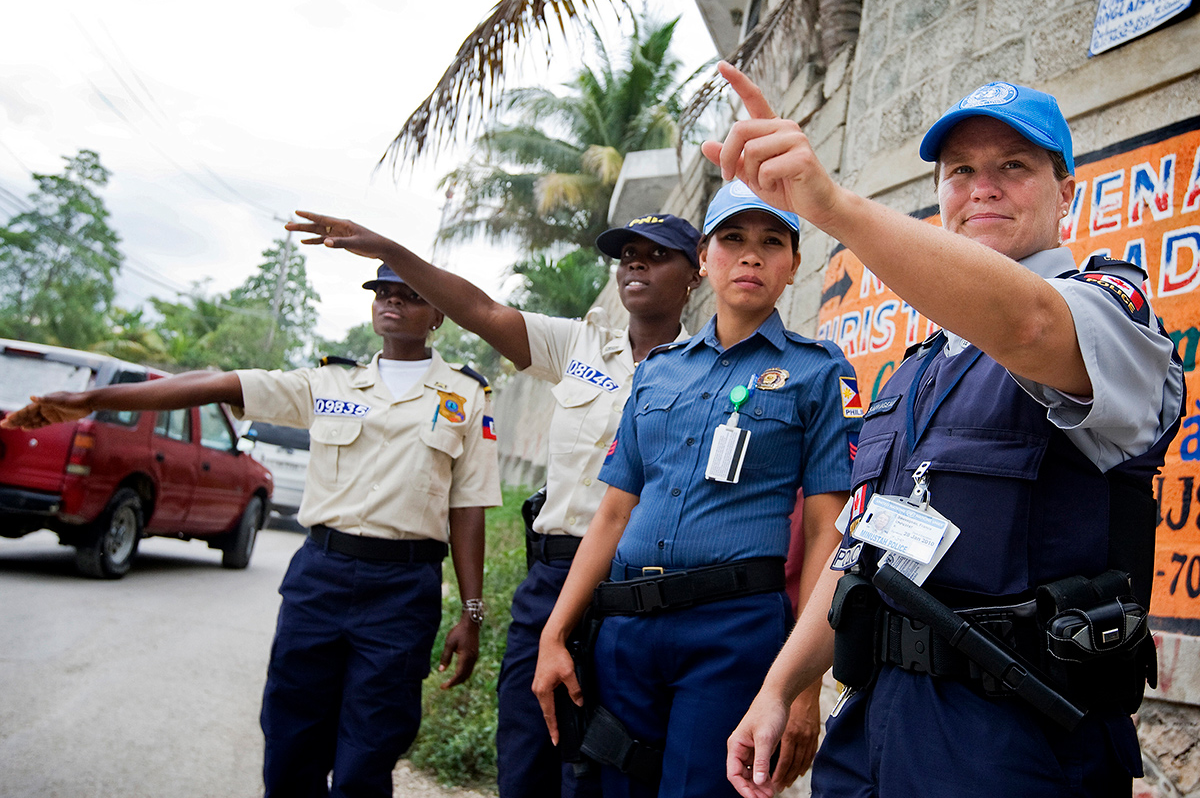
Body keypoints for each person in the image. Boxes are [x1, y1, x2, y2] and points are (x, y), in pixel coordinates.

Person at [711, 64, 1185, 798]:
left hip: (1015, 740)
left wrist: (832, 206)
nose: (982, 187)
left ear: (1066, 192)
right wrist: (780, 687)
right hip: (875, 721)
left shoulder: (1107, 312)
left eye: (1014, 167)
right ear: (940, 195)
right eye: (960, 170)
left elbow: (1026, 322)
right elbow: (863, 549)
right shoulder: (917, 370)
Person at [1, 266, 501, 798]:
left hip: (403, 591)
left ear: (439, 315)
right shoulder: (326, 383)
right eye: (382, 293)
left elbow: (468, 508)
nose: (391, 303)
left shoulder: (467, 398)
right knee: (290, 743)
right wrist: (95, 401)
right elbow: (210, 384)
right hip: (321, 579)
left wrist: (471, 613)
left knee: (369, 754)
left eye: (409, 296)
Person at [283, 209, 712, 798]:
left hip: (635, 586)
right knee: (525, 748)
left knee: (611, 762)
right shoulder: (577, 346)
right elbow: (480, 310)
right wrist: (390, 248)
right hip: (553, 578)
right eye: (627, 253)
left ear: (697, 272)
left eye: (658, 254)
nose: (636, 262)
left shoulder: (709, 371)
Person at [530, 179, 862, 798]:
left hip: (732, 633)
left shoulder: (818, 371)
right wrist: (554, 633)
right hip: (625, 630)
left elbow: (826, 530)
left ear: (793, 266)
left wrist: (800, 685)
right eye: (732, 239)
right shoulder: (657, 370)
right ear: (706, 260)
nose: (751, 256)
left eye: (772, 242)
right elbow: (612, 514)